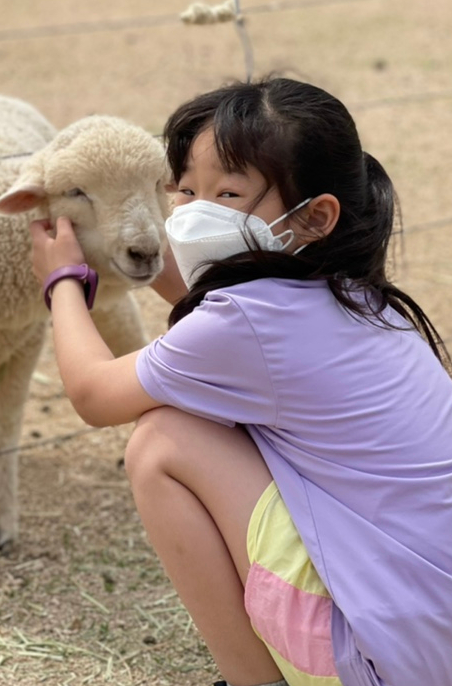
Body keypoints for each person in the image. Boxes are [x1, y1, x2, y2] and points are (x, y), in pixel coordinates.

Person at [28, 77, 452, 686]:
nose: (196, 212)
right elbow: (203, 305)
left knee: (163, 441)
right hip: (432, 640)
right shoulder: (359, 297)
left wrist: (63, 279)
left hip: (380, 662)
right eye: (185, 190)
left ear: (315, 217)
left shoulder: (245, 323)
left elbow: (93, 394)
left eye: (227, 193)